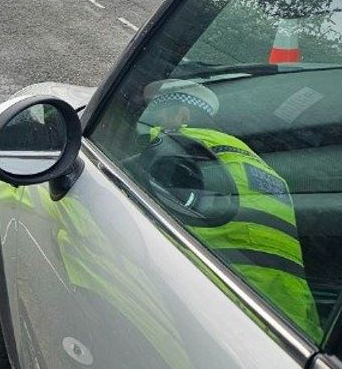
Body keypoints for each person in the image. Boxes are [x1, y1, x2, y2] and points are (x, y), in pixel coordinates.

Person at [133, 79, 321, 340]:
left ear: (181, 116)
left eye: (157, 117)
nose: (151, 125)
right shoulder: (269, 172)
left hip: (225, 302)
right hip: (293, 319)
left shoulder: (180, 145)